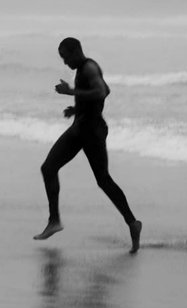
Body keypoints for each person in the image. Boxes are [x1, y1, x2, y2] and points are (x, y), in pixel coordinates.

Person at [35, 37, 142, 252]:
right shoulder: (83, 70)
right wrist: (78, 108)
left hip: (92, 131)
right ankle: (54, 221)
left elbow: (101, 92)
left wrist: (71, 93)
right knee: (48, 168)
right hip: (80, 128)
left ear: (76, 51)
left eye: (66, 57)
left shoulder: (89, 68)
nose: (65, 63)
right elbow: (106, 91)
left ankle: (132, 222)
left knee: (103, 180)